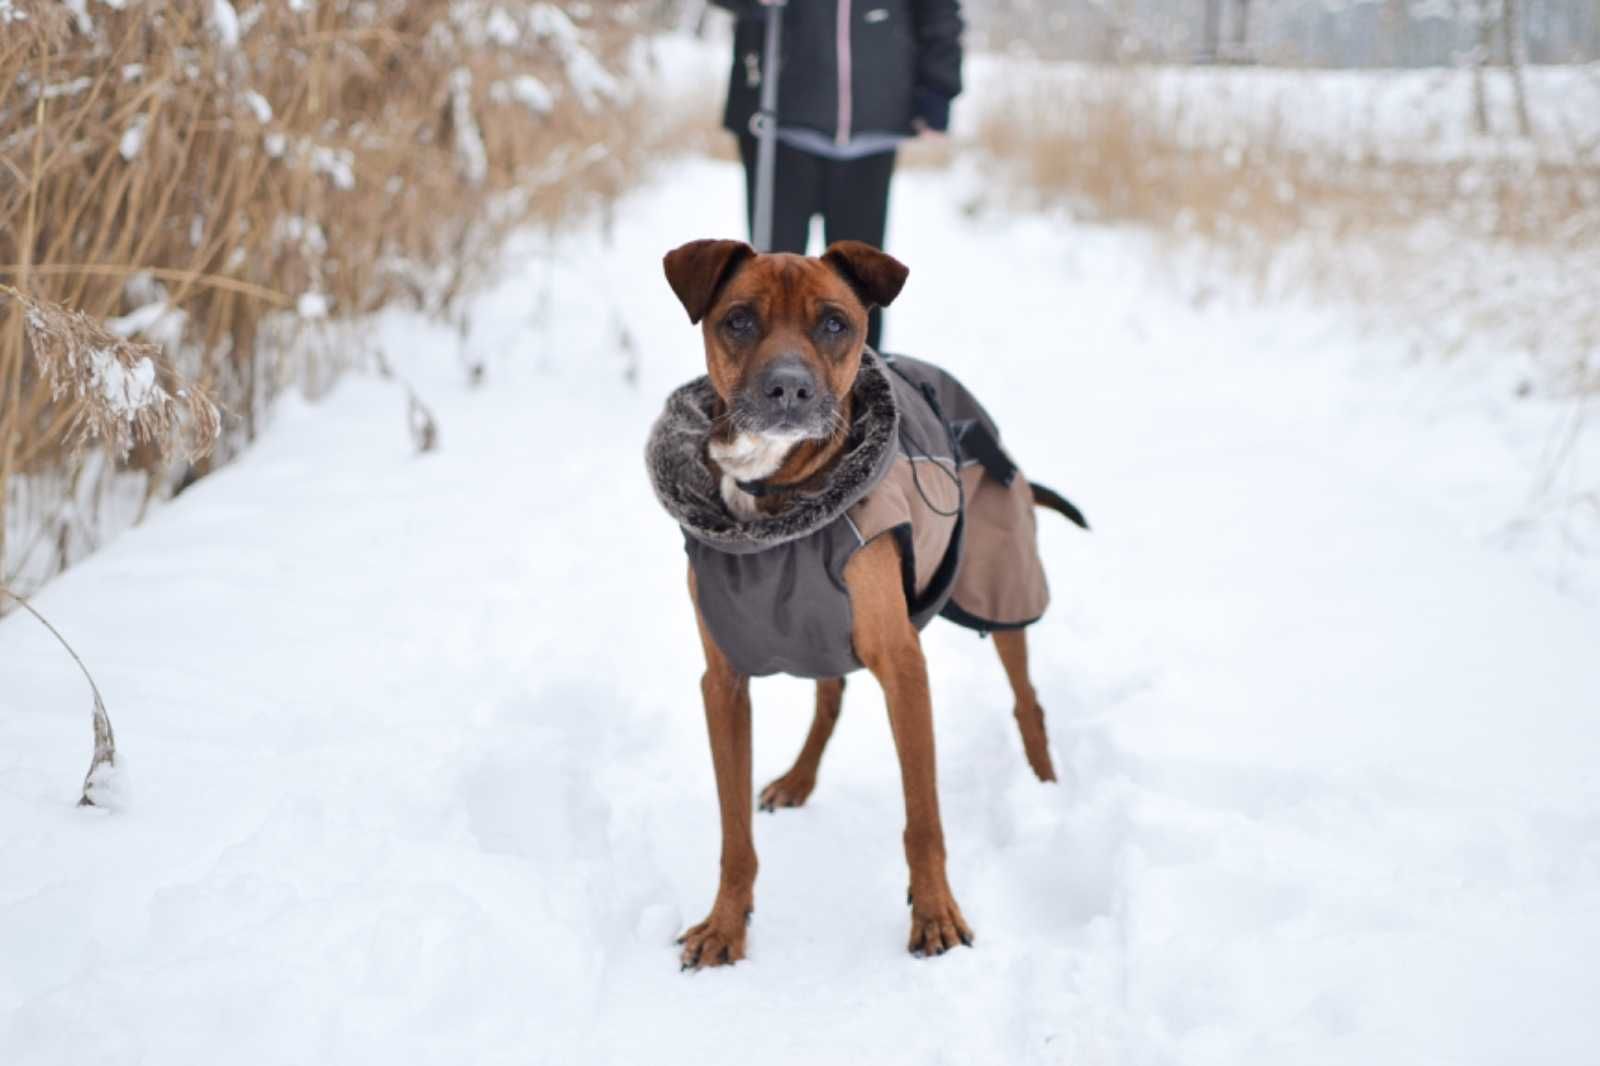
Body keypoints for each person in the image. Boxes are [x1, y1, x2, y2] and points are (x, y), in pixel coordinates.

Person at [710, 0, 964, 349]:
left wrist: (938, 86)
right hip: (777, 117)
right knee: (770, 281)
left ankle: (864, 389)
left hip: (872, 120)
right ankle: (763, 386)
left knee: (860, 281)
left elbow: (938, 8)